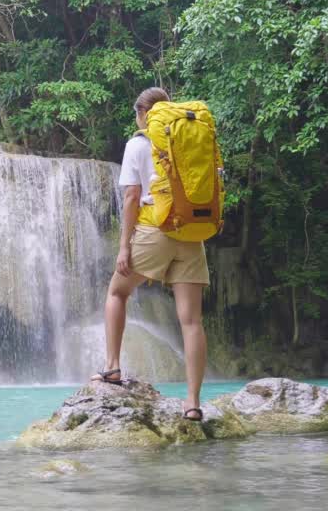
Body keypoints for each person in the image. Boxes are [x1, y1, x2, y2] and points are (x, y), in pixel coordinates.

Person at [91, 86, 210, 422]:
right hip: (191, 233)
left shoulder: (138, 144)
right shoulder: (189, 140)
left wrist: (124, 246)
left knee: (117, 291)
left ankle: (112, 368)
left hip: (154, 230)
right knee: (191, 321)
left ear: (143, 113)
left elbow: (131, 197)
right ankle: (193, 403)